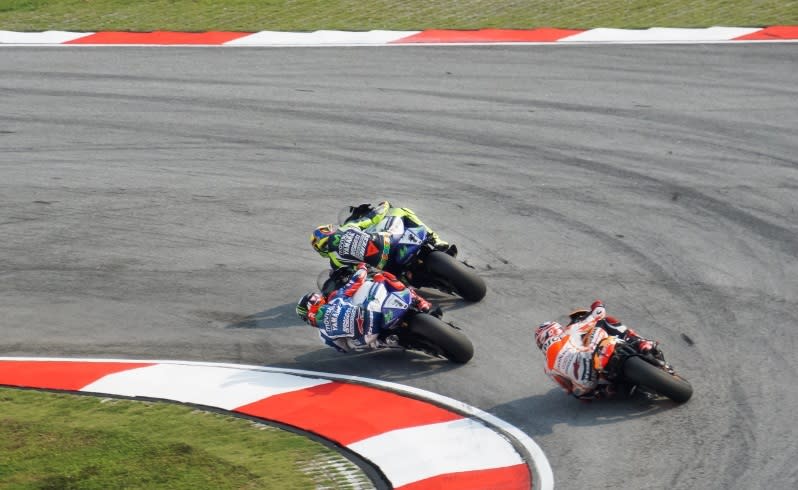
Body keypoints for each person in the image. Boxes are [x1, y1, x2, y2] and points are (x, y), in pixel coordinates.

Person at [534, 300, 659, 401]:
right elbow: (598, 313)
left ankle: (611, 390)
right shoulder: (570, 330)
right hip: (591, 356)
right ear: (556, 329)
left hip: (586, 384)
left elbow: (567, 389)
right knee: (604, 322)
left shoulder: (547, 368)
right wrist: (597, 304)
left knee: (579, 394)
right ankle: (641, 342)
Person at [296, 262, 432, 353]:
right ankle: (419, 301)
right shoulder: (335, 298)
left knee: (352, 342)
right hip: (373, 313)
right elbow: (354, 283)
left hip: (367, 337)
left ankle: (384, 342)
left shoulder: (323, 334)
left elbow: (344, 348)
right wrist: (362, 268)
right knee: (381, 277)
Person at [310, 201, 455, 271]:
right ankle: (436, 241)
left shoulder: (335, 263)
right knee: (402, 211)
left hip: (384, 268)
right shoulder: (347, 228)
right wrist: (384, 205)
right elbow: (372, 218)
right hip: (388, 245)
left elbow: (354, 274)